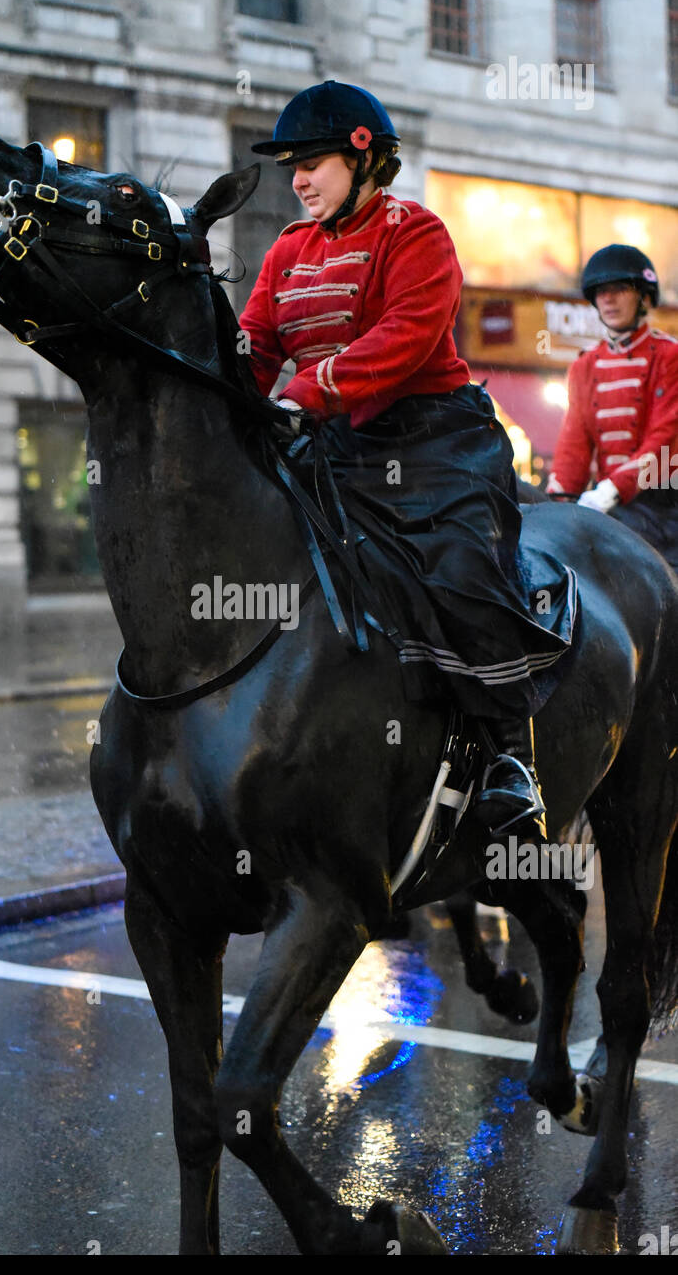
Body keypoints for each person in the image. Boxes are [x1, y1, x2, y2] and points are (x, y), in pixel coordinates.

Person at [240, 80, 577, 840]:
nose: (297, 178)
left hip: (432, 441)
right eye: (291, 165)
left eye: (313, 161)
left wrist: (309, 390)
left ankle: (504, 759)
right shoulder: (286, 250)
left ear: (363, 158)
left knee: (459, 571)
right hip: (328, 445)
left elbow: (406, 335)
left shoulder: (415, 231)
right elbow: (258, 342)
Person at [547, 245, 678, 575]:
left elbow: (664, 439)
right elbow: (573, 445)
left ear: (643, 298)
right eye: (601, 292)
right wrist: (557, 503)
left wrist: (611, 490)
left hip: (665, 503)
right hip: (610, 505)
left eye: (619, 289)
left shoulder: (670, 356)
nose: (608, 299)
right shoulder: (584, 365)